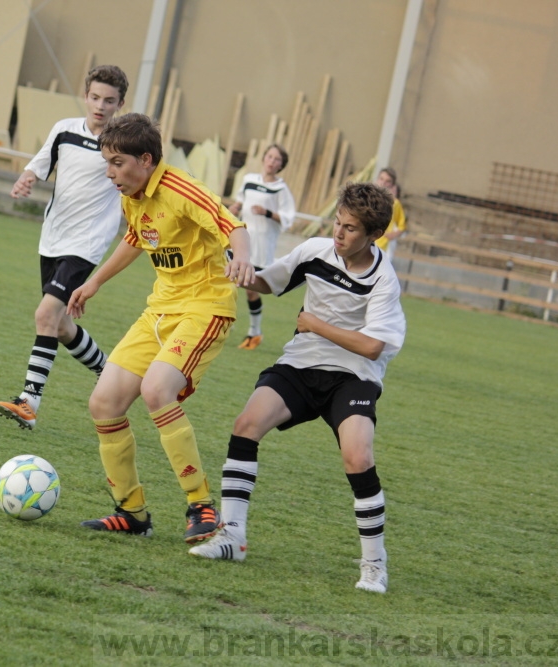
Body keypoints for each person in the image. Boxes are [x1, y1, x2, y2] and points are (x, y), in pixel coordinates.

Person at [189, 182, 404, 594]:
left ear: (374, 235)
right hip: (301, 364)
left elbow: (372, 345)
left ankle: (374, 564)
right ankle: (232, 538)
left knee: (358, 457)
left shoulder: (384, 280)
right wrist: (243, 273)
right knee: (246, 423)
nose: (339, 234)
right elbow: (272, 281)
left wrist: (317, 325)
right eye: (337, 223)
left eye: (351, 229)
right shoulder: (314, 252)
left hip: (353, 375)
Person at [67, 113, 254, 543]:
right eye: (107, 162)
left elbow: (233, 225)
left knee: (156, 390)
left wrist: (241, 256)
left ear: (146, 159)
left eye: (117, 162)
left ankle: (201, 505)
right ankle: (131, 512)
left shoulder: (181, 189)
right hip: (160, 312)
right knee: (104, 403)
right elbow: (137, 237)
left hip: (204, 308)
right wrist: (94, 281)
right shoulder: (130, 193)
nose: (110, 171)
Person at [0, 65, 130, 431]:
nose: (101, 106)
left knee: (45, 316)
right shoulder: (64, 130)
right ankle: (108, 372)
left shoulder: (121, 144)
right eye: (96, 97)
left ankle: (29, 402)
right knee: (63, 325)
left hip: (86, 245)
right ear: (86, 96)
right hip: (52, 238)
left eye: (110, 101)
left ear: (121, 104)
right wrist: (26, 178)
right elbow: (40, 165)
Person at [227, 144, 296, 350]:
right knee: (228, 281)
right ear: (264, 158)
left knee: (249, 290)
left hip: (261, 246)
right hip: (240, 240)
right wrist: (235, 207)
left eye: (277, 159)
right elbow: (240, 201)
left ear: (281, 165)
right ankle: (223, 324)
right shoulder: (249, 180)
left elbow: (288, 218)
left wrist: (267, 212)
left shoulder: (281, 189)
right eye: (269, 156)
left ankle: (254, 332)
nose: (272, 161)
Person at [374, 168, 407, 262]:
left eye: (388, 181)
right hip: (363, 242)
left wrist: (394, 234)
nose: (383, 183)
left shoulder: (395, 204)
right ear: (377, 179)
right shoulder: (367, 199)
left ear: (392, 185)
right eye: (381, 179)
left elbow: (402, 225)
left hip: (382, 246)